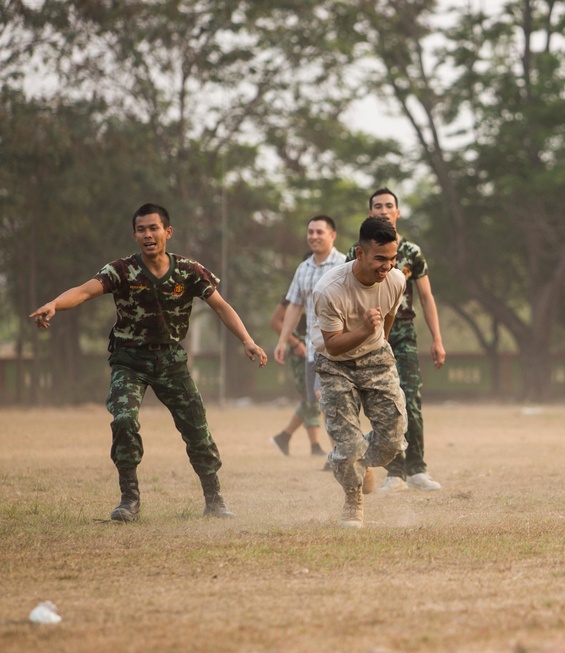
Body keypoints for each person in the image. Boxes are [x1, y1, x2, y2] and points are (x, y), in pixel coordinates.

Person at [28, 203, 268, 522]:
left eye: (153, 228)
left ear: (167, 232)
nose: (147, 235)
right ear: (135, 235)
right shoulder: (121, 270)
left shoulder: (188, 271)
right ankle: (129, 500)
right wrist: (55, 304)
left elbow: (221, 307)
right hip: (129, 358)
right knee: (124, 420)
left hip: (171, 359)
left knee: (197, 427)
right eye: (141, 229)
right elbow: (85, 292)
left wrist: (247, 341)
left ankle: (214, 498)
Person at [313, 216, 408, 528]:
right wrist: (367, 329)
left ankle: (349, 455)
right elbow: (334, 345)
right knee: (349, 444)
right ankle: (353, 502)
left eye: (392, 259)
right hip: (334, 365)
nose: (387, 267)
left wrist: (376, 340)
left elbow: (389, 321)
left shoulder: (395, 280)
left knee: (393, 439)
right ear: (360, 254)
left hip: (375, 357)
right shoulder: (330, 290)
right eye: (380, 259)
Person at [351, 188, 446, 492]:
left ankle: (417, 469)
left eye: (389, 206)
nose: (383, 210)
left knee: (411, 399)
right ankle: (394, 472)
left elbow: (427, 297)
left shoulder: (411, 252)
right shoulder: (358, 251)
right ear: (370, 213)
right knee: (383, 403)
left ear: (398, 212)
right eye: (377, 206)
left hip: (404, 332)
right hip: (369, 334)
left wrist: (437, 339)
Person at [272, 214, 346, 455]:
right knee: (319, 400)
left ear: (332, 235)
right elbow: (294, 305)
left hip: (339, 347)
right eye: (310, 232)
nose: (314, 236)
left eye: (319, 232)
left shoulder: (344, 266)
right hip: (313, 349)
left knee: (322, 394)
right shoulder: (303, 269)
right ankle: (340, 453)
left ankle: (341, 452)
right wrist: (283, 340)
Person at [267, 296, 324, 456]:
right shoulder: (297, 289)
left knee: (313, 396)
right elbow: (275, 321)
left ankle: (284, 437)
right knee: (311, 396)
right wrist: (295, 343)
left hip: (316, 347)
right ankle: (314, 446)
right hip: (303, 350)